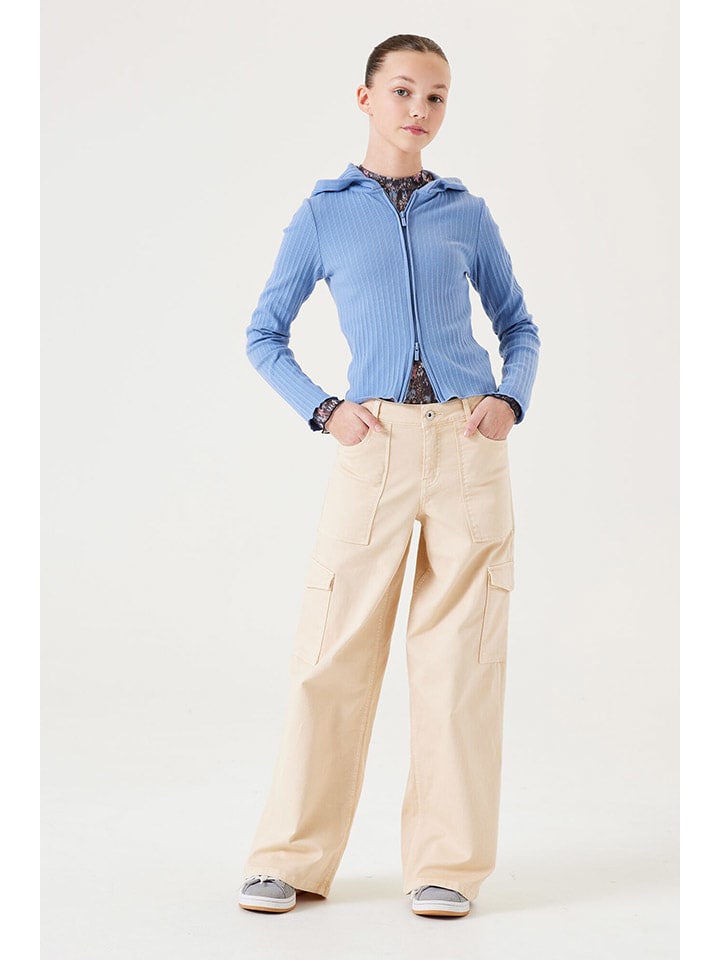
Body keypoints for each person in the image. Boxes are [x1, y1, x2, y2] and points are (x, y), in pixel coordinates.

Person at [238, 33, 540, 919]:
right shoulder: (324, 213)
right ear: (366, 98)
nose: (420, 109)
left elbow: (519, 325)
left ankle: (447, 866)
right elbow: (264, 334)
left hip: (468, 447)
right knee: (332, 651)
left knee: (460, 663)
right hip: (372, 448)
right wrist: (325, 410)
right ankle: (291, 857)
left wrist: (510, 400)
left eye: (436, 96)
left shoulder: (466, 213)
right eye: (404, 90)